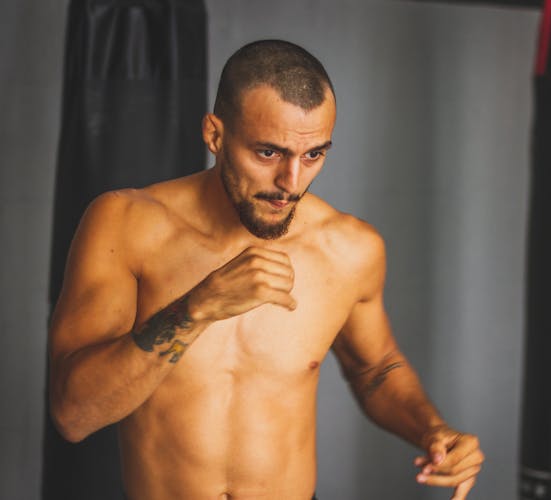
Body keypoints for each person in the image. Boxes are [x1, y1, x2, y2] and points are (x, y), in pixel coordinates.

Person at [48, 39, 483, 500]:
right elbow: (73, 414)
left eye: (314, 155)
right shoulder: (126, 225)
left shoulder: (350, 249)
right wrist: (196, 310)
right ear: (215, 135)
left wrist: (434, 431)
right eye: (268, 153)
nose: (290, 183)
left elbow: (375, 369)